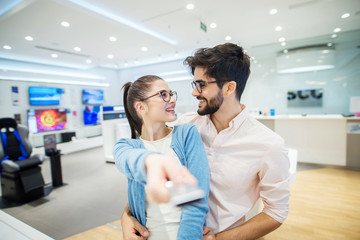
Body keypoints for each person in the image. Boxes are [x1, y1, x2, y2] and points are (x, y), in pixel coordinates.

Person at [118, 43, 290, 240]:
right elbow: (152, 180)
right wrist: (127, 216)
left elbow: (276, 212)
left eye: (202, 84)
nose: (194, 92)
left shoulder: (268, 144)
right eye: (194, 84)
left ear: (229, 87)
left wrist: (219, 239)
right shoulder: (184, 126)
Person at [113, 75, 210, 240]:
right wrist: (150, 162)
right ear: (141, 107)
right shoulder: (127, 146)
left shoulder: (186, 134)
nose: (172, 100)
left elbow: (196, 201)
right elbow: (126, 159)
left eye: (171, 94)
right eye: (163, 95)